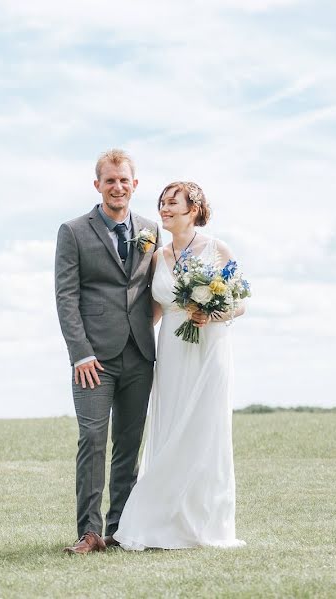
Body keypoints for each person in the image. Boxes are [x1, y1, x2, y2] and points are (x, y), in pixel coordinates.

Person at [112, 181, 246, 550]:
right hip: (171, 351)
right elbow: (152, 312)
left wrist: (213, 312)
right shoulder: (156, 256)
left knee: (206, 431)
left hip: (210, 352)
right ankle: (161, 519)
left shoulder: (218, 249)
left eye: (173, 203)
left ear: (194, 209)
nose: (164, 209)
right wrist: (120, 342)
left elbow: (241, 304)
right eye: (162, 203)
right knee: (171, 428)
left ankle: (205, 523)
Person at [54, 149, 161, 554]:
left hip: (139, 354)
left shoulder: (152, 229)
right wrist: (80, 352)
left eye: (124, 180)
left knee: (129, 444)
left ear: (135, 185)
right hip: (92, 360)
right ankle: (89, 532)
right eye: (110, 180)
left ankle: (121, 529)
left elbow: (153, 288)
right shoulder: (73, 231)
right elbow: (66, 296)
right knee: (93, 440)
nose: (118, 187)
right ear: (97, 185)